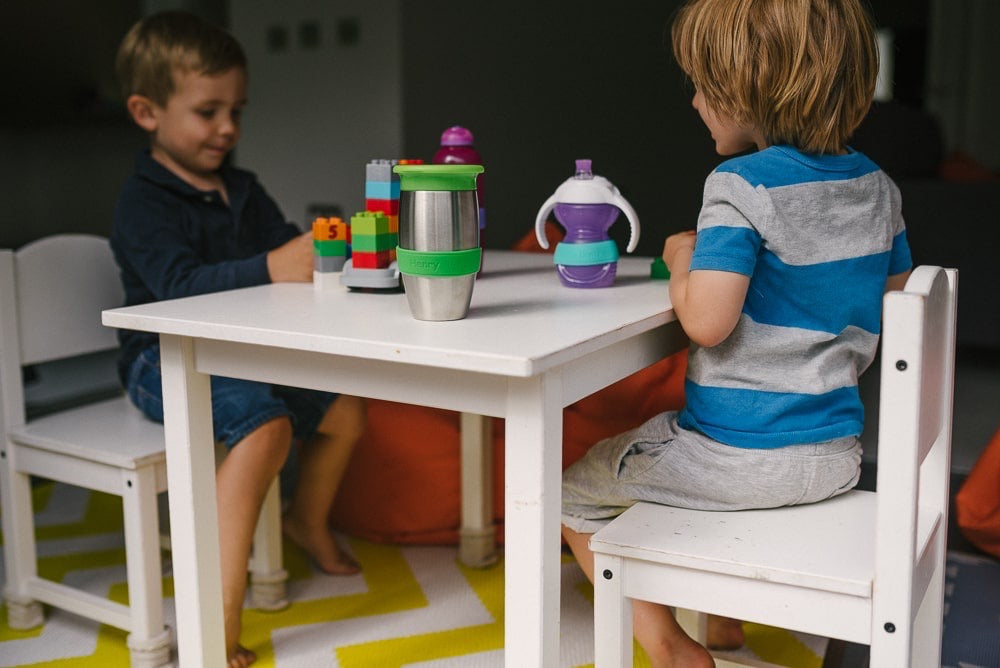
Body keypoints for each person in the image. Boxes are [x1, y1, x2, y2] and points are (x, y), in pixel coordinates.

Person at [560, 0, 912, 665]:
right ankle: (725, 627)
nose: (694, 102)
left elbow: (706, 323)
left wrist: (683, 259)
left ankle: (668, 646)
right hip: (837, 455)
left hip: (738, 464)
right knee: (677, 438)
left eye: (702, 86)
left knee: (570, 491)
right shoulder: (878, 188)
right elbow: (892, 304)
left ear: (745, 92)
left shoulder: (739, 185)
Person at [111, 11, 366, 667]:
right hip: (161, 358)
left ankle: (303, 520)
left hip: (238, 354)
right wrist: (271, 266)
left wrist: (314, 260)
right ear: (147, 111)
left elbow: (285, 251)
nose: (227, 127)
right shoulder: (143, 202)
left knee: (345, 410)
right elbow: (177, 283)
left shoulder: (242, 189)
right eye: (207, 111)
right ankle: (216, 614)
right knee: (265, 427)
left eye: (237, 110)